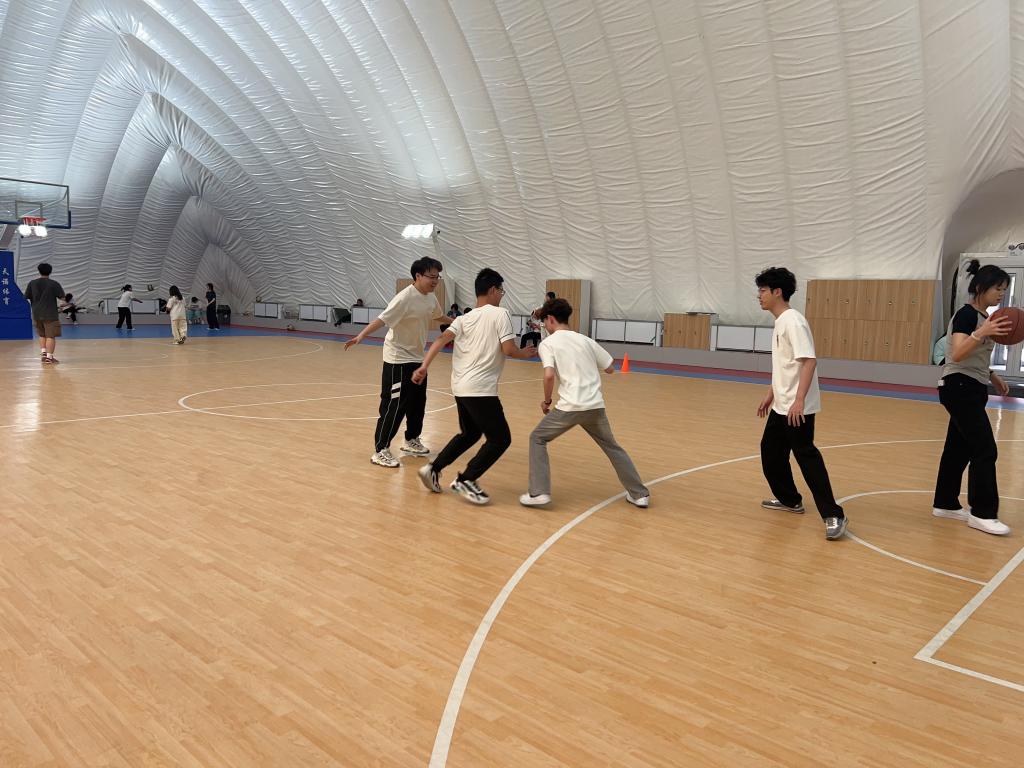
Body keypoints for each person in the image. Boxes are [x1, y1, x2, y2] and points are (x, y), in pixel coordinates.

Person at [414, 268, 536, 505]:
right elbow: (509, 349)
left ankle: (433, 469)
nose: (502, 295)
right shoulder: (500, 314)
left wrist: (424, 366)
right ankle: (466, 479)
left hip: (460, 386)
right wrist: (525, 353)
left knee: (470, 433)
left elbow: (441, 339)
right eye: (501, 291)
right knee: (500, 439)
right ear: (492, 290)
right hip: (480, 389)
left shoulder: (463, 318)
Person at [519, 298, 650, 508]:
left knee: (537, 438)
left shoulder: (548, 344)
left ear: (550, 319)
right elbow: (610, 368)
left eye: (544, 322)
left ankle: (539, 492)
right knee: (613, 448)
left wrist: (546, 401)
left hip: (569, 407)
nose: (544, 326)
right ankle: (639, 494)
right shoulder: (585, 340)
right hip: (595, 406)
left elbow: (549, 375)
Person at [755, 267, 847, 541]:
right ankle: (790, 500)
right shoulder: (780, 321)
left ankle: (834, 515)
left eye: (763, 290)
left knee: (806, 457)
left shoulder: (793, 321)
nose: (759, 295)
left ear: (777, 292)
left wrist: (798, 400)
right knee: (771, 452)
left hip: (797, 408)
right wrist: (772, 393)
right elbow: (786, 365)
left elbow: (809, 361)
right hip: (781, 405)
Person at [932, 260, 1013, 536]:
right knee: (985, 449)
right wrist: (982, 333)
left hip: (973, 386)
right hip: (959, 387)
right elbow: (957, 353)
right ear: (980, 288)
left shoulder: (983, 318)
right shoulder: (967, 315)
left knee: (958, 448)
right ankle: (982, 513)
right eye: (997, 288)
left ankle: (945, 503)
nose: (1001, 294)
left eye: (1004, 289)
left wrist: (992, 375)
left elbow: (974, 355)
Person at [344, 257, 445, 467]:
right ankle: (380, 449)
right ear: (418, 276)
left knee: (417, 404)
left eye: (437, 277)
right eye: (431, 276)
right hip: (398, 360)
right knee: (394, 406)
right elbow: (382, 319)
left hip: (417, 358)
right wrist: (361, 336)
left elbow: (439, 316)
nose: (435, 281)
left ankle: (411, 440)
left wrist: (461, 323)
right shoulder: (404, 298)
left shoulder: (430, 297)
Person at [23, 262, 64, 364]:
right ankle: (49, 358)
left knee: (42, 334)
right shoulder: (54, 284)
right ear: (50, 271)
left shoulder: (32, 283)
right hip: (50, 313)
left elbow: (26, 296)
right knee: (50, 336)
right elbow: (62, 297)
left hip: (36, 313)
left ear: (39, 271)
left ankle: (44, 354)